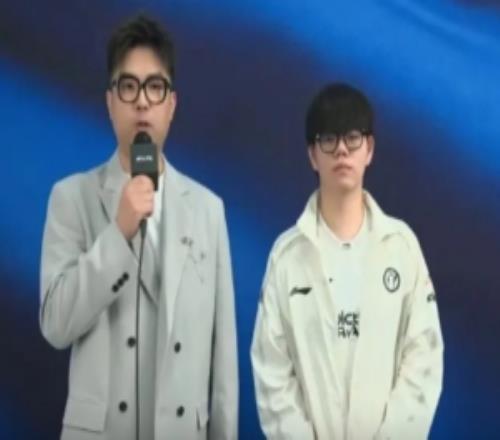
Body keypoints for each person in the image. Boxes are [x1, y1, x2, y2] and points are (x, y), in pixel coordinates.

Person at [40, 14, 238, 440]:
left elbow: (223, 363)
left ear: (171, 104)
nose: (143, 102)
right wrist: (118, 232)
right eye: (128, 87)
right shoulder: (71, 197)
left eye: (155, 87)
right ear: (110, 102)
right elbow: (55, 325)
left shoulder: (208, 210)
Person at [251, 83, 443, 440]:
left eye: (352, 138)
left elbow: (424, 356)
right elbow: (271, 369)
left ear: (369, 149)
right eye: (328, 139)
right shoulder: (287, 256)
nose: (341, 149)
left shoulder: (401, 247)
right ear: (312, 155)